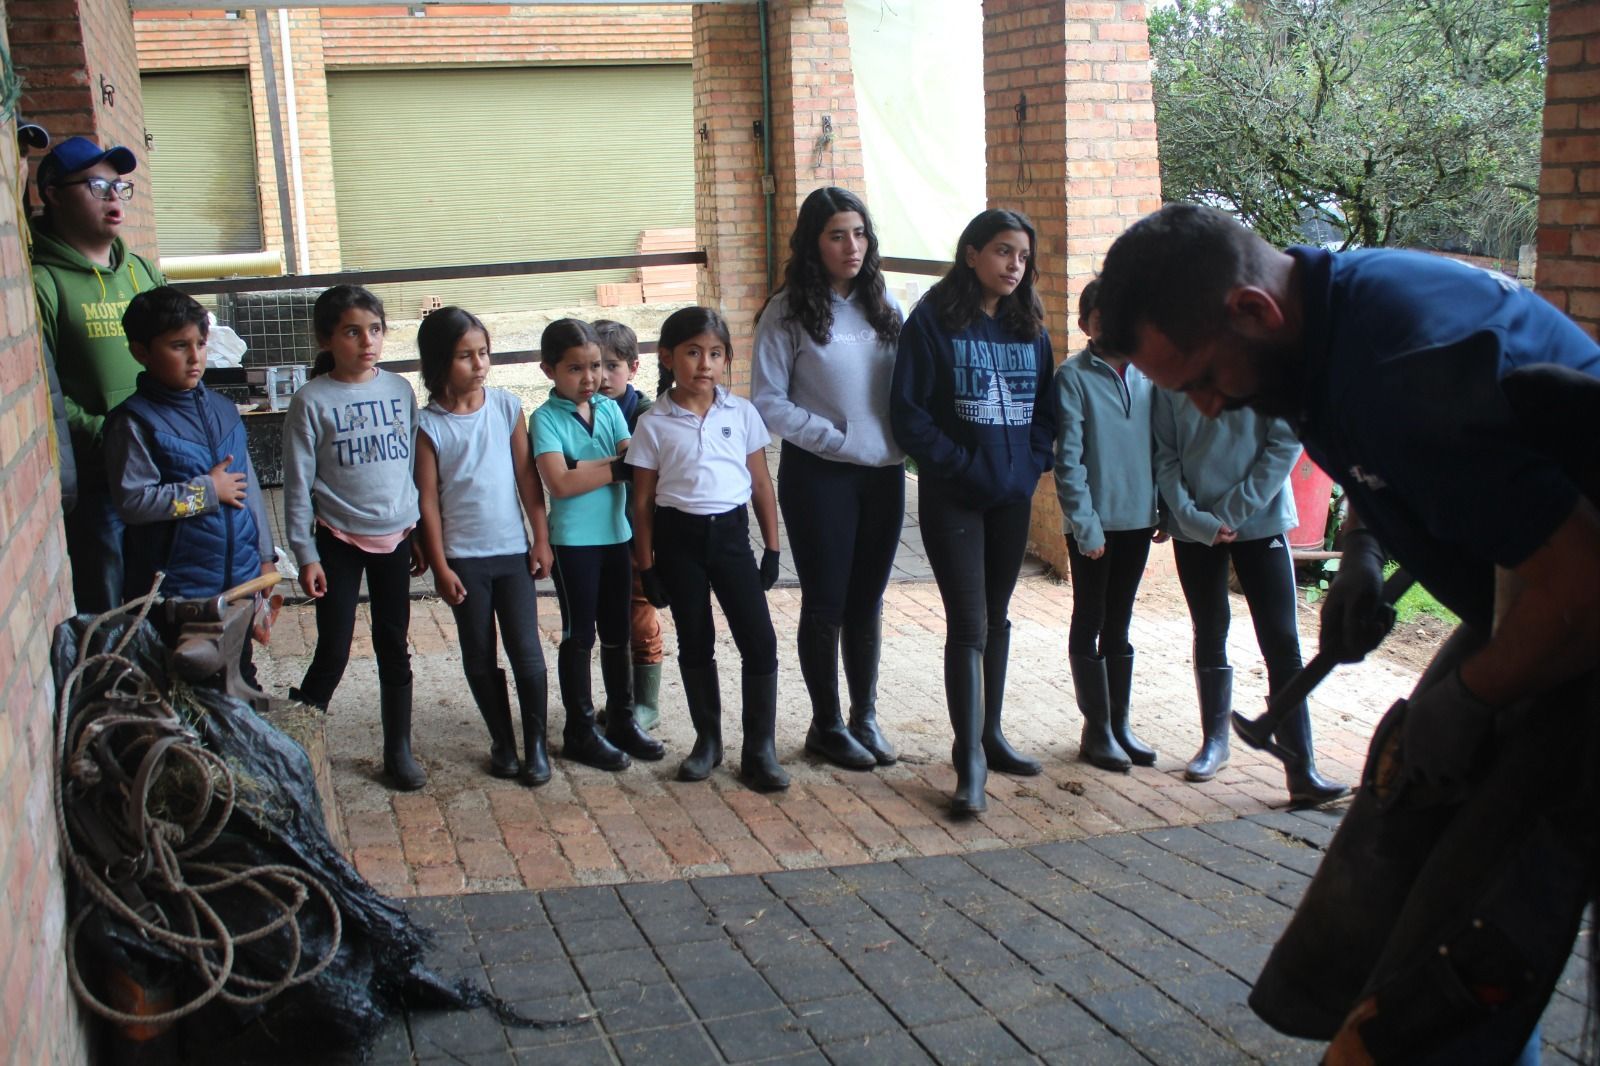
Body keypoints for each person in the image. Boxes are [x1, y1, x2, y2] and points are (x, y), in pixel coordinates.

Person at [1096, 202, 1600, 1065]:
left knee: (1462, 954)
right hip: (1532, 603)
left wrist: (1476, 696)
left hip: (1577, 622)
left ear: (1251, 311)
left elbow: (1585, 590)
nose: (1210, 411)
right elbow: (1380, 448)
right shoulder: (1321, 322)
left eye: (1205, 381)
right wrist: (1366, 547)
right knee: (1410, 873)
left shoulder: (1405, 362)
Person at [889, 208, 1058, 816]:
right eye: (1003, 252)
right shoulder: (932, 321)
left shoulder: (1029, 326)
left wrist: (1030, 462)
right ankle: (970, 761)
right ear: (971, 254)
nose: (1015, 265)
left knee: (998, 617)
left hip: (1011, 495)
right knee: (968, 622)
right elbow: (908, 414)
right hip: (954, 495)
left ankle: (991, 732)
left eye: (1022, 256)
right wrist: (958, 464)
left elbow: (1046, 408)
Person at [751, 186, 905, 772]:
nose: (852, 246)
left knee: (868, 600)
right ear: (813, 243)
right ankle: (827, 724)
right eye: (838, 234)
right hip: (821, 477)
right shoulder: (787, 312)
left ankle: (865, 716)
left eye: (860, 233)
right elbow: (767, 403)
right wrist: (837, 438)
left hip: (884, 475)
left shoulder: (883, 303)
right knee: (827, 602)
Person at [1152, 386, 1348, 804]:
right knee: (1209, 628)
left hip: (1260, 521)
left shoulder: (1254, 365)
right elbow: (1165, 457)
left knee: (1282, 641)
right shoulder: (1169, 379)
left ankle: (1301, 768)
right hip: (1195, 527)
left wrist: (1232, 511)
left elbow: (1285, 443)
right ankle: (1214, 744)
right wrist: (1193, 518)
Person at [627, 306, 787, 792]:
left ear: (726, 360)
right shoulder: (654, 422)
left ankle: (760, 748)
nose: (705, 364)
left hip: (732, 540)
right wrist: (647, 565)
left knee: (759, 640)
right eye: (693, 352)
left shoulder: (741, 413)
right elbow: (642, 503)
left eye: (715, 354)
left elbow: (760, 483)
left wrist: (773, 549)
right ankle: (708, 742)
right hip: (680, 543)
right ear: (668, 357)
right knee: (695, 640)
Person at [281, 285, 426, 790]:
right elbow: (297, 484)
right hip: (337, 540)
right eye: (351, 331)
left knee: (394, 643)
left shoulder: (400, 390)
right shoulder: (311, 401)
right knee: (334, 646)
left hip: (397, 537)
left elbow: (409, 466)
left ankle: (398, 750)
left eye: (375, 329)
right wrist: (305, 553)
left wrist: (419, 531)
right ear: (327, 339)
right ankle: (294, 742)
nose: (367, 341)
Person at [414, 307, 556, 786]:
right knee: (479, 654)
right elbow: (427, 503)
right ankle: (503, 741)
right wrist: (439, 566)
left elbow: (526, 478)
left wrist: (541, 537)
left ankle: (535, 744)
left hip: (512, 554)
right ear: (438, 363)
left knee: (527, 652)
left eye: (483, 353)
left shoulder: (505, 407)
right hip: (463, 561)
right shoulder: (428, 426)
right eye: (464, 356)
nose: (479, 365)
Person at [103, 287, 275, 669]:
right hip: (178, 598)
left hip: (238, 585)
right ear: (141, 352)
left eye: (200, 342)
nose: (195, 356)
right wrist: (206, 492)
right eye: (179, 346)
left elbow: (250, 490)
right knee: (184, 690)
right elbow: (133, 502)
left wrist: (265, 559)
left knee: (239, 675)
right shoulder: (134, 422)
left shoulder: (224, 410)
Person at [31, 135, 163, 614]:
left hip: (162, 466)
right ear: (53, 193)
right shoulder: (42, 283)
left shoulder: (142, 273)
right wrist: (109, 435)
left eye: (120, 187)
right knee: (110, 597)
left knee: (167, 587)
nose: (113, 197)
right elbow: (44, 392)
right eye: (97, 185)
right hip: (100, 477)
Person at [531, 318, 660, 771]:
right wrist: (615, 467)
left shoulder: (607, 409)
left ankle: (621, 720)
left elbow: (637, 459)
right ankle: (579, 730)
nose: (590, 379)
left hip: (616, 537)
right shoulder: (544, 419)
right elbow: (561, 483)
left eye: (596, 368)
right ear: (548, 370)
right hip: (574, 545)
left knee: (617, 632)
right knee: (579, 635)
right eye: (575, 369)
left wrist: (595, 467)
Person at [1052, 277, 1163, 773]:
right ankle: (1094, 730)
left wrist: (1163, 508)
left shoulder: (1149, 375)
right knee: (1089, 619)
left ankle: (1120, 723)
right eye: (1100, 317)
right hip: (1093, 527)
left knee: (1119, 623)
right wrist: (1084, 524)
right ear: (1085, 326)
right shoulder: (1072, 378)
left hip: (1139, 521)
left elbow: (1163, 448)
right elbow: (1068, 460)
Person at [594, 319, 665, 734]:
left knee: (640, 615)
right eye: (593, 365)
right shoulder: (580, 410)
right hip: (598, 532)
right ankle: (620, 697)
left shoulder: (645, 416)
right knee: (610, 617)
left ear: (634, 368)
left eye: (612, 366)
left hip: (639, 535)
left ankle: (647, 704)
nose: (601, 377)